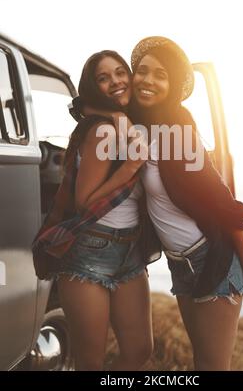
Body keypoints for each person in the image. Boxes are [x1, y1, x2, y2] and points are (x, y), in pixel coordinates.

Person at [128, 36, 243, 371]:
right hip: (181, 264)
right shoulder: (138, 128)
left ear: (173, 84)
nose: (148, 80)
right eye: (143, 71)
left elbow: (223, 202)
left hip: (213, 258)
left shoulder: (180, 130)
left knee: (212, 366)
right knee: (200, 362)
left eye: (161, 75)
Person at [32, 51, 153, 371]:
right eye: (104, 77)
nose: (115, 81)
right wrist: (128, 168)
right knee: (90, 362)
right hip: (89, 252)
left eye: (120, 72)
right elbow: (85, 203)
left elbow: (79, 106)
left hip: (129, 252)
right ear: (93, 86)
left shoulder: (126, 124)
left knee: (140, 350)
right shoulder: (103, 131)